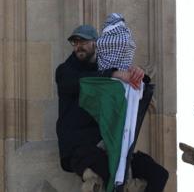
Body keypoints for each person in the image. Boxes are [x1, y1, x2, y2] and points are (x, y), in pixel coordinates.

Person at [56, 24, 167, 191]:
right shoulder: (65, 71)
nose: (78, 46)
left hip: (110, 146)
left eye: (83, 41)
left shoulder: (107, 68)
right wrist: (114, 74)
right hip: (81, 149)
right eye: (75, 42)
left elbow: (135, 86)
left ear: (96, 43)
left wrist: (139, 74)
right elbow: (82, 81)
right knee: (114, 178)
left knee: (158, 174)